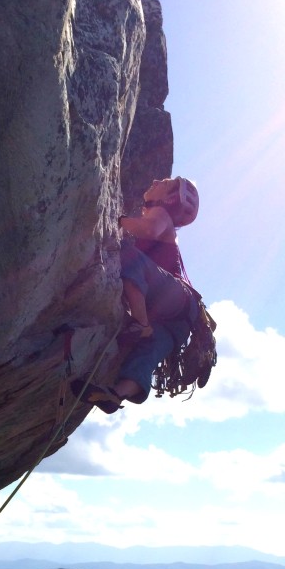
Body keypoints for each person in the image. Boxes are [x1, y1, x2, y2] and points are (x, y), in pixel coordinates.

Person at [73, 177, 200, 414]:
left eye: (164, 182)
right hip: (180, 321)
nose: (155, 180)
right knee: (147, 352)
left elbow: (149, 229)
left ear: (170, 198)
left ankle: (140, 323)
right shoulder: (166, 223)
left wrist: (117, 220)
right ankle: (116, 394)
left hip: (172, 299)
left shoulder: (161, 213)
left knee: (126, 253)